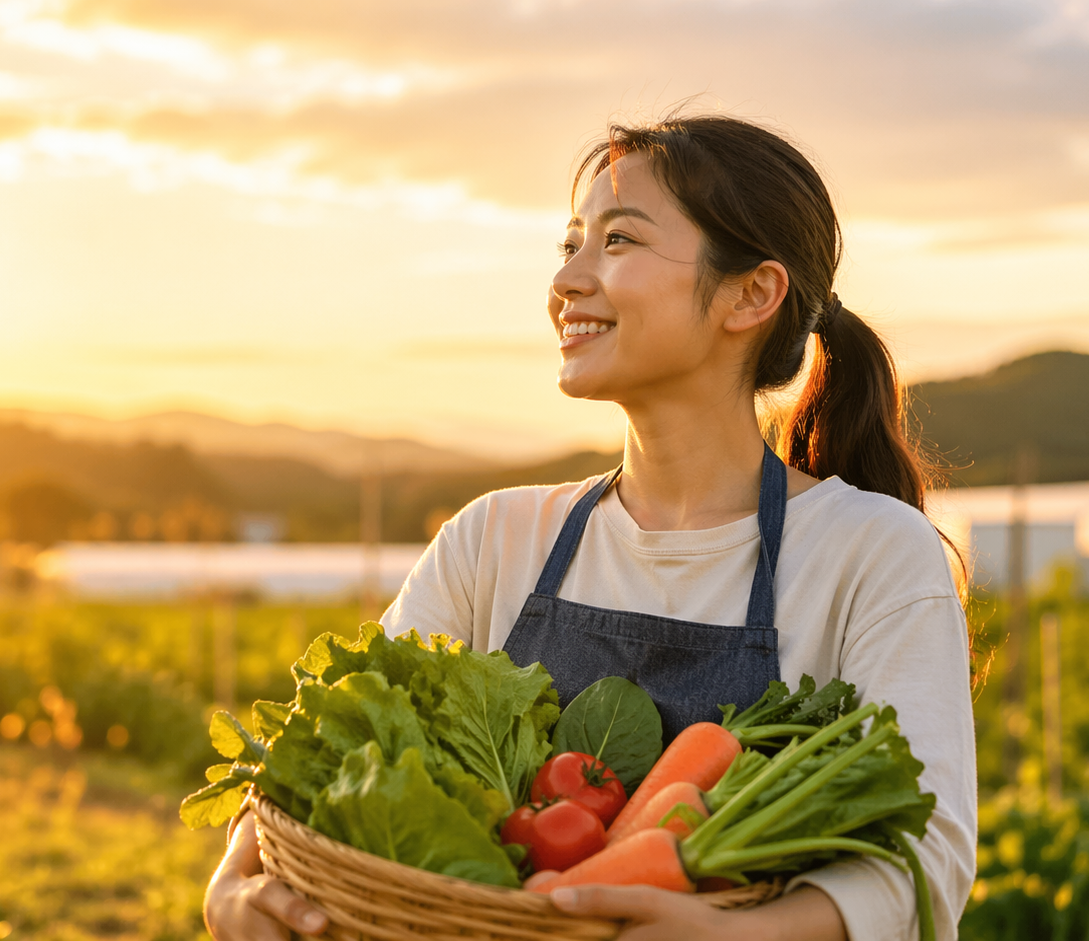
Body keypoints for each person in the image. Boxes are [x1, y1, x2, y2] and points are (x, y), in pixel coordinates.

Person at [204, 113, 976, 941]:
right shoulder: (492, 539)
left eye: (617, 241)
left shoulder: (872, 552)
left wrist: (731, 936)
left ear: (752, 293)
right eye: (570, 244)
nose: (566, 280)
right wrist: (237, 878)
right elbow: (331, 747)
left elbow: (926, 854)